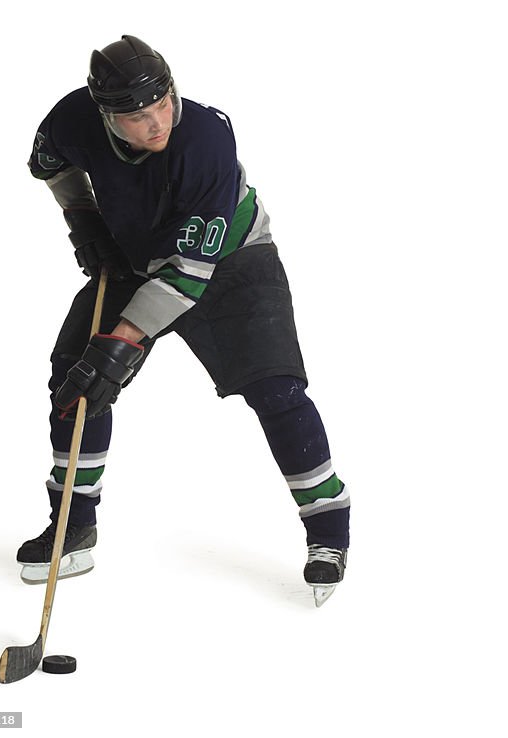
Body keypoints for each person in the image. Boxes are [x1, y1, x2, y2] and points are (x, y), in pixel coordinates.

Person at [17, 35, 349, 607]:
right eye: (137, 116)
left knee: (276, 388)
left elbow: (190, 274)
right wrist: (84, 219)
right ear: (105, 115)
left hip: (229, 259)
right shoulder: (72, 118)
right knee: (77, 380)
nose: (156, 123)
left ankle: (329, 535)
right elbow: (49, 164)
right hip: (135, 253)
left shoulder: (206, 138)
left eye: (163, 103)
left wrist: (119, 346)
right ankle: (74, 527)